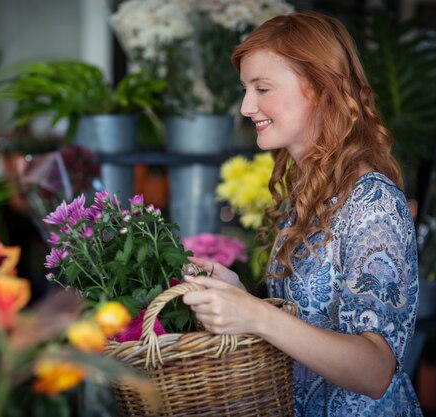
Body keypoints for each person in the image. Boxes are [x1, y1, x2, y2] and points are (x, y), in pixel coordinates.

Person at [181, 12, 422, 417]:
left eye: (262, 88)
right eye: (246, 89)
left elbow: (375, 370)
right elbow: (306, 327)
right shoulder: (308, 194)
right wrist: (240, 297)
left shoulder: (373, 203)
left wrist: (257, 316)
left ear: (319, 88)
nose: (245, 106)